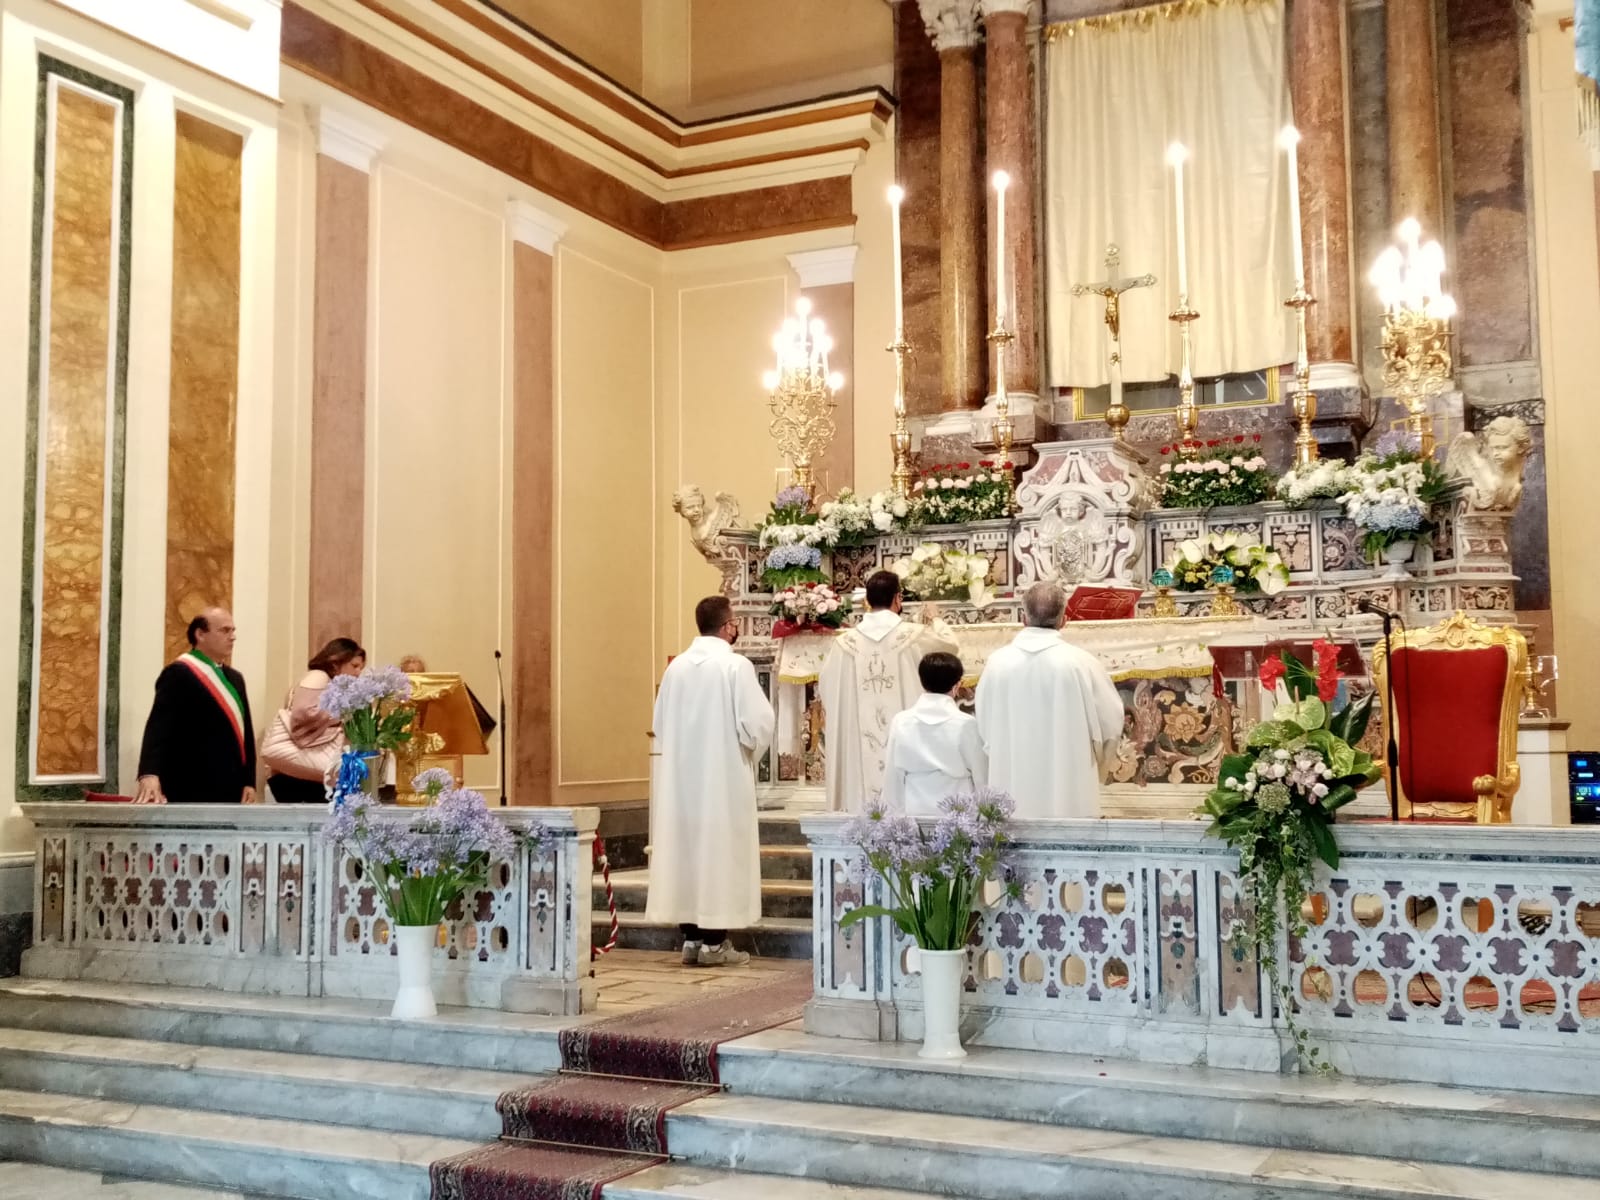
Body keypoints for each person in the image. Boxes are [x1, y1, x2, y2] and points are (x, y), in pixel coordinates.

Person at [646, 595, 774, 968]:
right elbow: (757, 724)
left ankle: (692, 938)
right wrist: (752, 750)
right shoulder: (735, 666)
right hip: (722, 778)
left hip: (681, 779)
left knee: (686, 850)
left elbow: (660, 725)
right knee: (719, 852)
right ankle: (716, 944)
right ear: (728, 626)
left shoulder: (677, 669)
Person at [974, 581, 1125, 818]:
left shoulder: (997, 663)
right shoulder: (1082, 663)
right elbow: (1112, 723)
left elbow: (983, 727)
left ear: (1024, 618)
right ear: (1064, 620)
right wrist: (1099, 766)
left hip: (1013, 779)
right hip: (1071, 785)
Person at [818, 570, 958, 813]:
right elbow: (950, 647)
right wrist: (935, 619)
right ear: (897, 599)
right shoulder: (915, 635)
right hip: (911, 757)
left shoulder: (844, 644)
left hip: (859, 765)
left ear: (868, 601)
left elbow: (828, 690)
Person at [135, 608, 257, 805]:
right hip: (190, 782)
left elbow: (246, 734)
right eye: (224, 631)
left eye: (233, 631)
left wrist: (249, 780)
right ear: (200, 634)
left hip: (232, 785)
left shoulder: (235, 678)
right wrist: (149, 772)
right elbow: (158, 727)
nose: (232, 637)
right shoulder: (178, 673)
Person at [881, 651, 988, 816]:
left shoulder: (901, 721)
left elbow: (892, 778)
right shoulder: (966, 724)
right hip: (958, 815)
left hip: (914, 811)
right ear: (957, 686)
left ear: (922, 682)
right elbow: (981, 777)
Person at [262, 638, 366, 804]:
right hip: (295, 779)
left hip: (301, 776)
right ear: (336, 662)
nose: (358, 672)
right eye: (354, 666)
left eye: (360, 667)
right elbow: (303, 714)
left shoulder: (328, 683)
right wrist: (341, 713)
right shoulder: (318, 676)